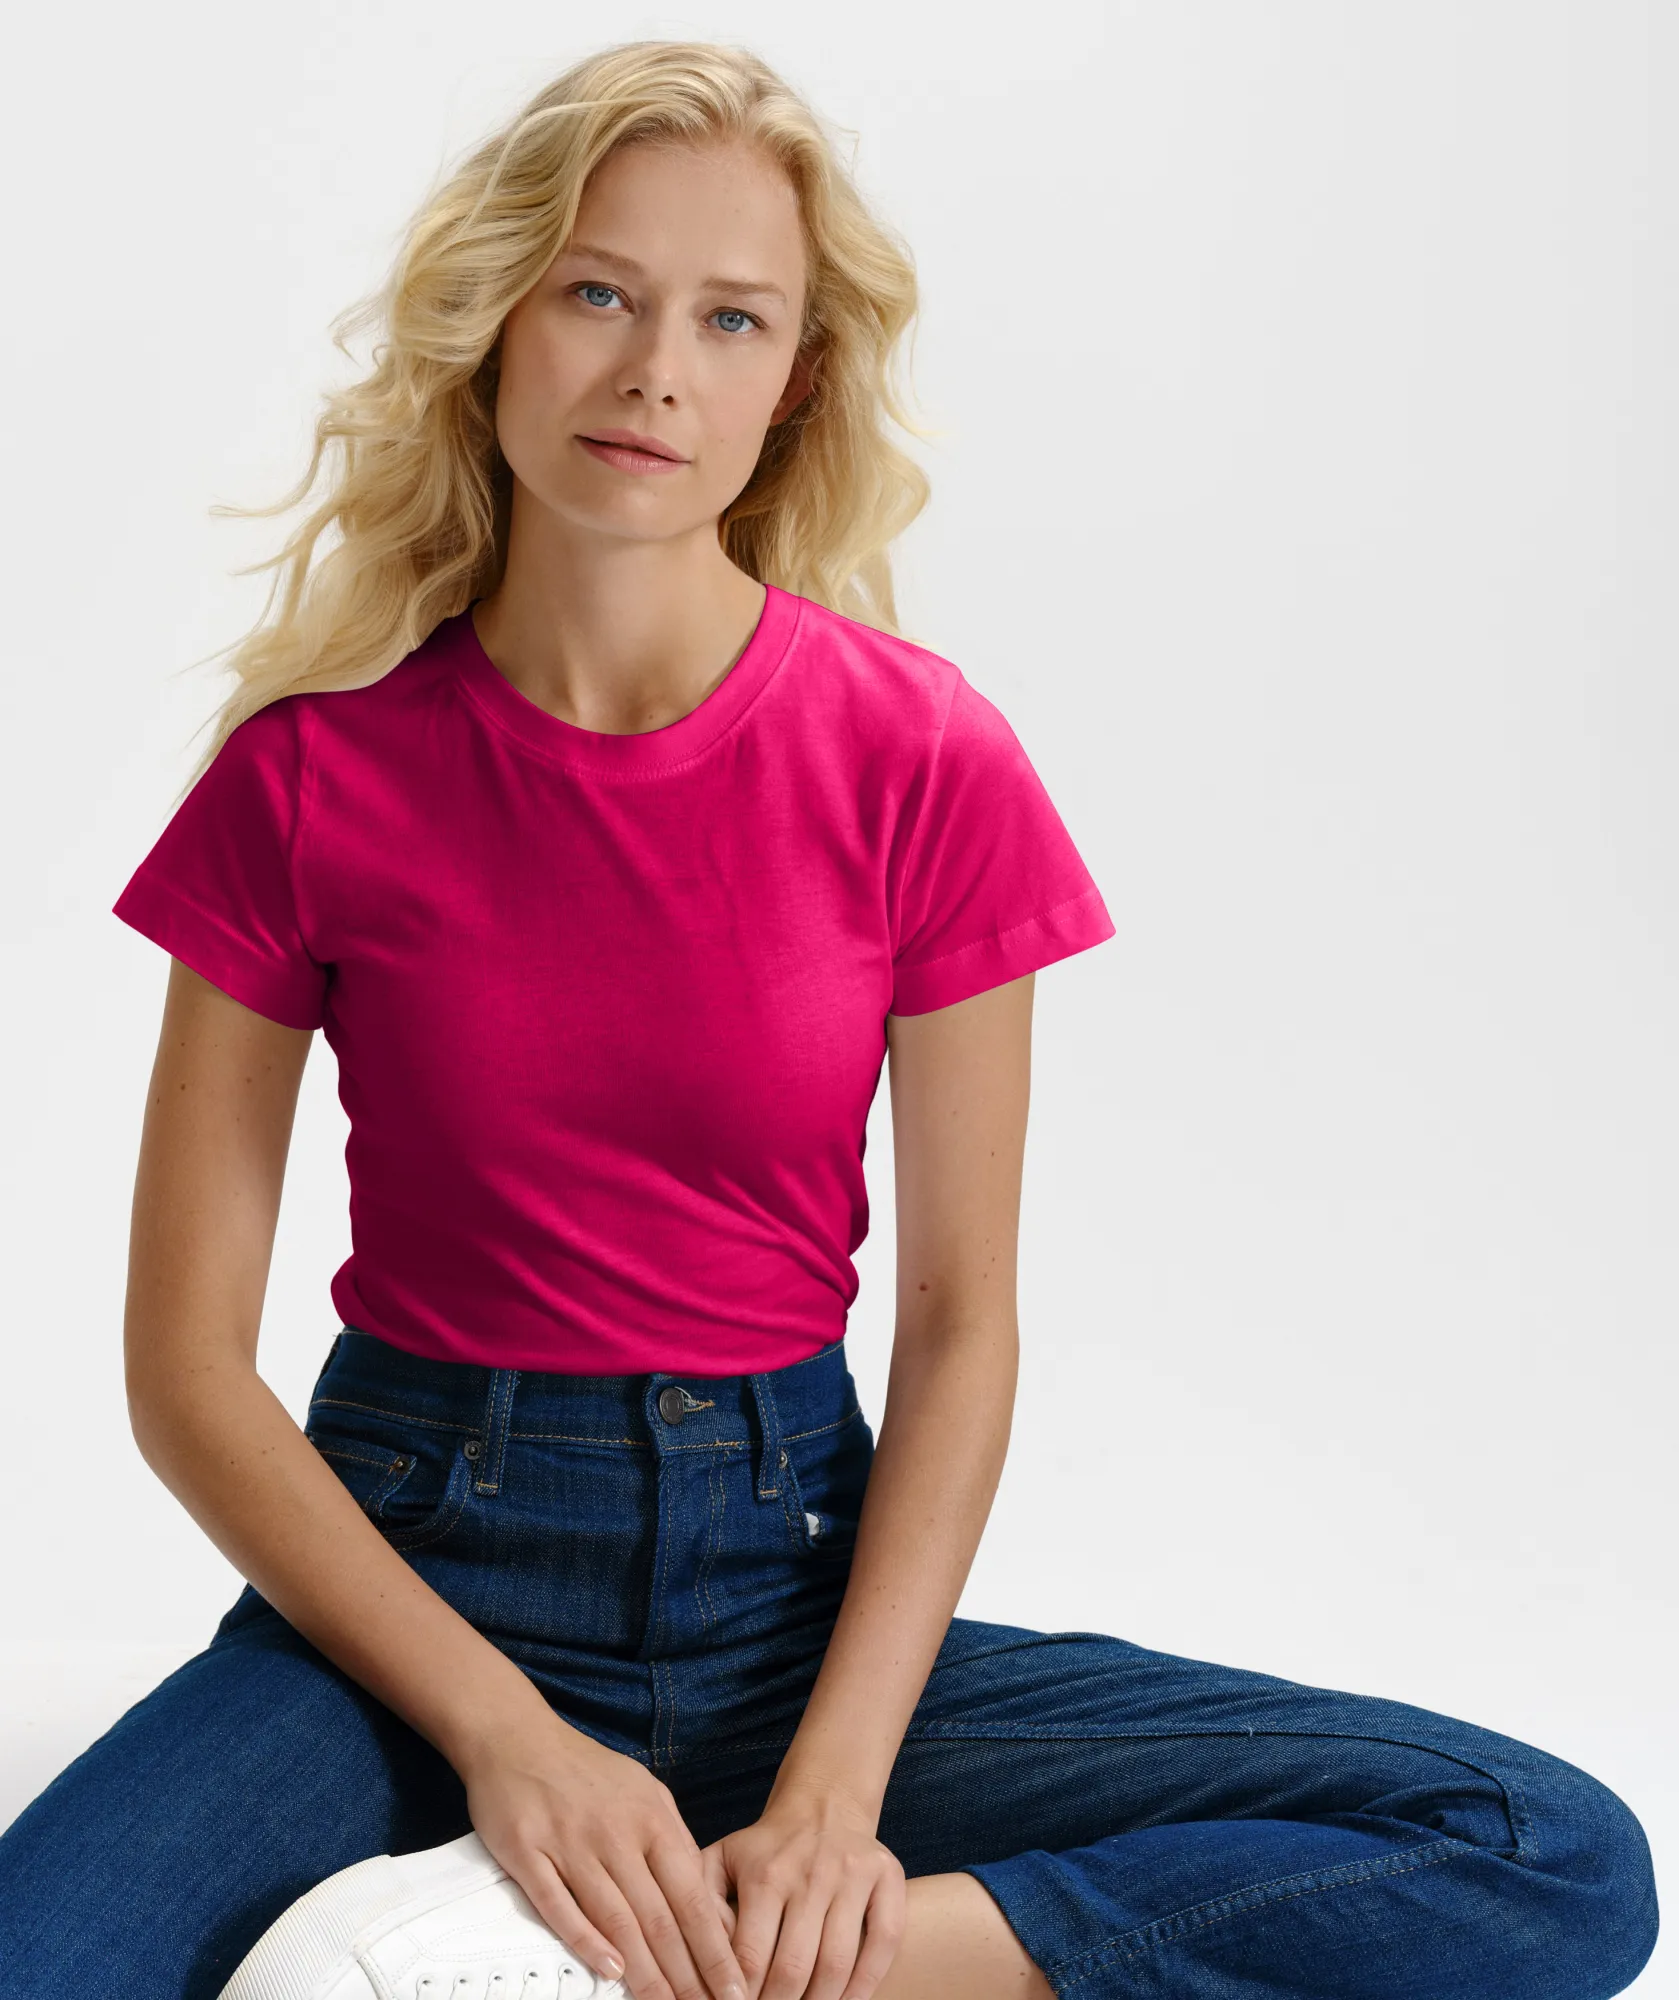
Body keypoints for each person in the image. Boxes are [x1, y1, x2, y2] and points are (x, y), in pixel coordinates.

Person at [0, 38, 1658, 2000]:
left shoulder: (919, 758)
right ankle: (587, 1904)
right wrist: (508, 1743)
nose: (654, 371)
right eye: (596, 291)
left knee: (1545, 1850)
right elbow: (186, 1369)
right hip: (409, 1594)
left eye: (732, 318)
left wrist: (835, 1811)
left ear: (794, 378)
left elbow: (956, 1322)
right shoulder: (308, 777)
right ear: (496, 318)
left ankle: (771, 1975)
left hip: (791, 1605)